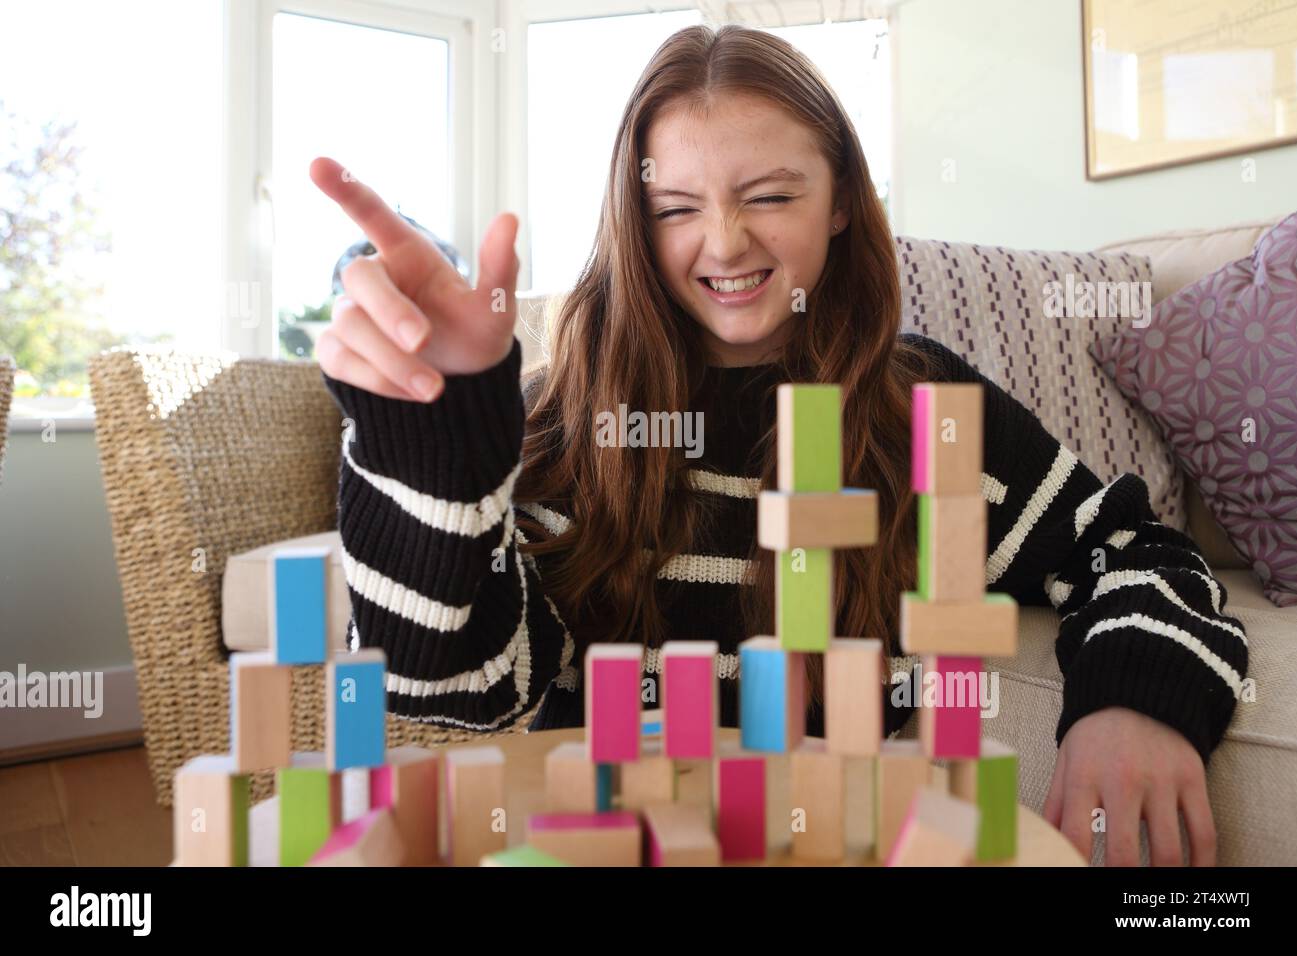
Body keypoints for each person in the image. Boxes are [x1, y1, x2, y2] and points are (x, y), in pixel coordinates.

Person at [309, 24, 1245, 866]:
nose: (723, 242)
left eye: (768, 195)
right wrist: (426, 438)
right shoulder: (567, 424)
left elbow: (1133, 553)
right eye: (676, 207)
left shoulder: (927, 410)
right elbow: (457, 689)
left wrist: (1134, 699)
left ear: (841, 200)